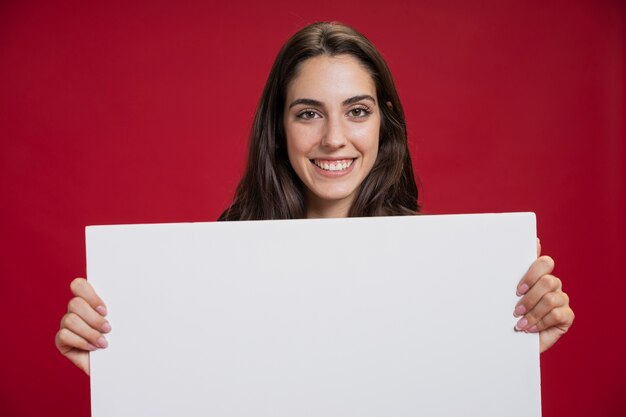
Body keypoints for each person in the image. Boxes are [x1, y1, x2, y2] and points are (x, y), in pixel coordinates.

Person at [55, 22, 574, 375]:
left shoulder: (439, 272)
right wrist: (116, 363)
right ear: (279, 129)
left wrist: (513, 349)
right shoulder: (214, 265)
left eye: (356, 110)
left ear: (383, 120)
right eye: (308, 113)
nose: (333, 138)